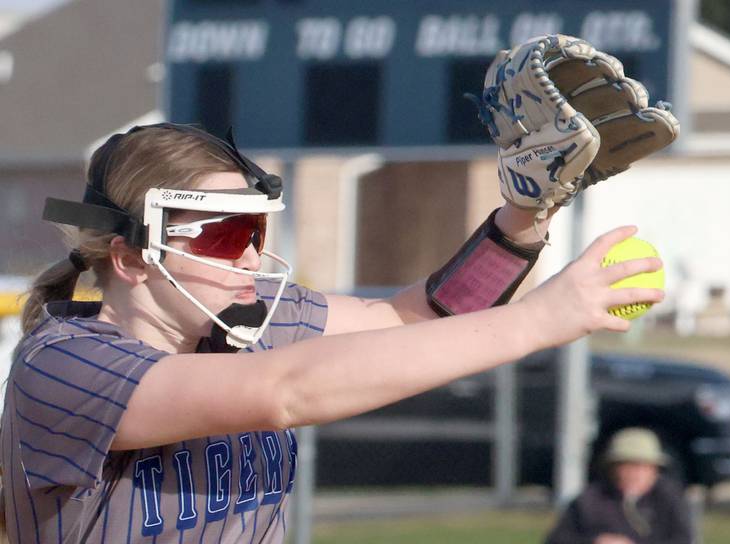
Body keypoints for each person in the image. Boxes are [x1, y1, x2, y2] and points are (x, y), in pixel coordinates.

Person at [0, 122, 663, 543]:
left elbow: (414, 318)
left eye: (255, 231)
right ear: (130, 256)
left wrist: (523, 214)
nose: (253, 258)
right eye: (226, 235)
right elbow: (280, 392)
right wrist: (539, 321)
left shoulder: (241, 322)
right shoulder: (62, 366)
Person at [545, 428, 694, 544]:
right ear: (612, 468)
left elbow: (683, 539)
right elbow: (557, 540)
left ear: (654, 470)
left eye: (641, 466)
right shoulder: (589, 500)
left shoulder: (669, 499)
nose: (634, 473)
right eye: (626, 466)